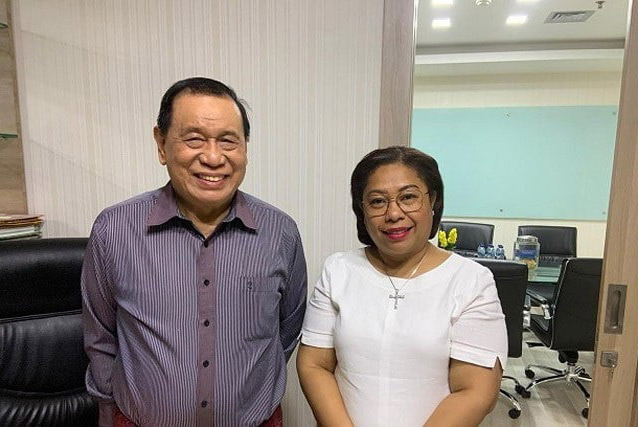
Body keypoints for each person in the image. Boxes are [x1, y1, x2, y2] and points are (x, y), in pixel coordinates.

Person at [81, 77, 307, 427]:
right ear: (161, 144)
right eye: (195, 139)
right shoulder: (114, 230)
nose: (213, 157)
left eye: (228, 141)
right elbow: (100, 338)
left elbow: (286, 332)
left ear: (245, 148)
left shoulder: (281, 233)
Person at [297, 146, 507, 426]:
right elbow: (315, 364)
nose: (394, 213)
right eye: (377, 201)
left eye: (408, 197)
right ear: (362, 209)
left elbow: (475, 392)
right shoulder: (338, 270)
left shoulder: (471, 281)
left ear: (433, 200)